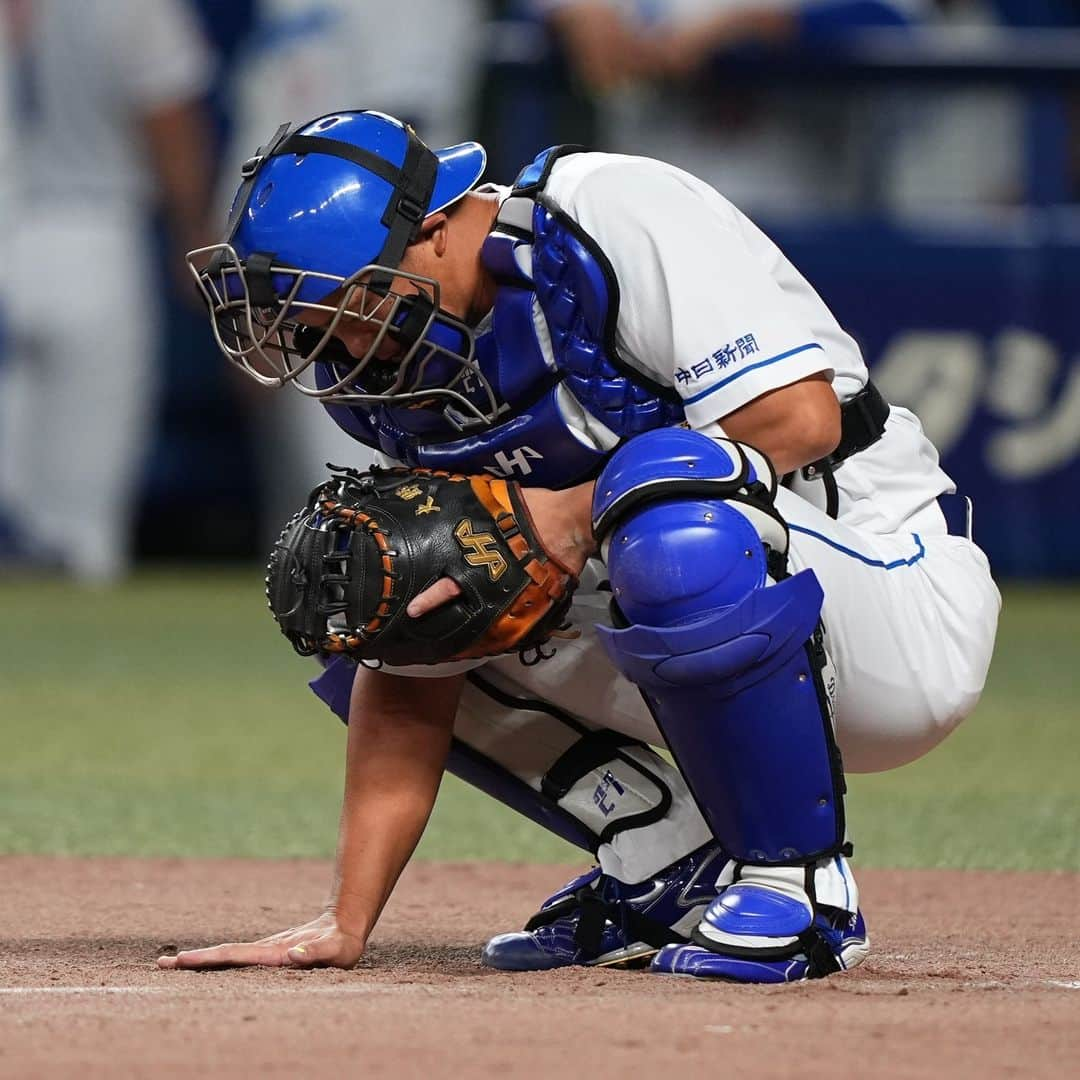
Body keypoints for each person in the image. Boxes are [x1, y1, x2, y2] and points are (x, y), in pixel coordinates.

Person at [161, 110, 999, 982]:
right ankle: (670, 862)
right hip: (705, 611)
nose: (337, 341)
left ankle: (798, 890)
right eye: (311, 320)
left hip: (888, 594)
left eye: (350, 302)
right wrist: (347, 919)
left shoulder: (602, 214)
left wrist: (567, 512)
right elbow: (411, 670)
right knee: (391, 585)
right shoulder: (394, 377)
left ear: (438, 227)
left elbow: (800, 418)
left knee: (666, 508)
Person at [0, 0, 214, 582]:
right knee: (84, 518)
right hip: (95, 238)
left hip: (13, 226)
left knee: (15, 487)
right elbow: (167, 112)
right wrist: (192, 230)